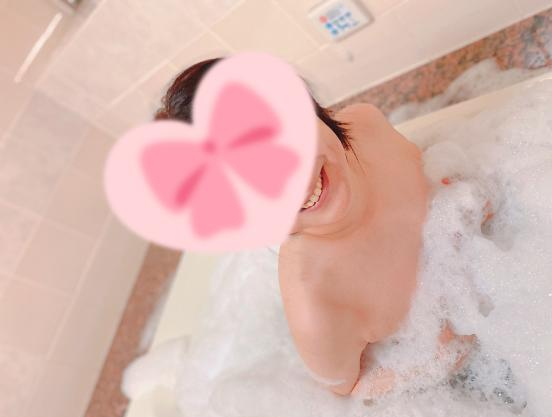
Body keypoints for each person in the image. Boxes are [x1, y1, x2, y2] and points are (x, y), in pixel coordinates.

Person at [155, 57, 476, 398]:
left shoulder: (367, 125)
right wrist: (436, 360)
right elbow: (348, 390)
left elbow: (428, 175)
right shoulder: (317, 303)